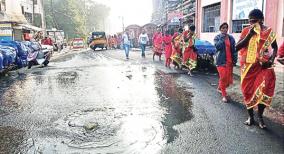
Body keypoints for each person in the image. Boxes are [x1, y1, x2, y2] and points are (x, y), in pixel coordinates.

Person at [236, 9, 278, 129]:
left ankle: (260, 116)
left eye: (254, 21)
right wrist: (249, 35)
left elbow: (275, 47)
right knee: (247, 91)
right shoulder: (246, 31)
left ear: (261, 20)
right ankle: (251, 117)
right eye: (249, 21)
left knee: (263, 90)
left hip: (263, 66)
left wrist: (271, 60)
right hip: (248, 67)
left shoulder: (269, 32)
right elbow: (237, 47)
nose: (251, 24)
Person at [214, 22, 237, 102]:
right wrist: (222, 38)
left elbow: (234, 50)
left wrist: (235, 60)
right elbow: (218, 47)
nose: (225, 29)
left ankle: (219, 88)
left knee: (227, 80)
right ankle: (224, 95)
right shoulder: (217, 37)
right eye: (223, 28)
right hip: (220, 61)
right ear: (220, 29)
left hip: (229, 61)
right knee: (223, 78)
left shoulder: (231, 38)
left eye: (226, 28)